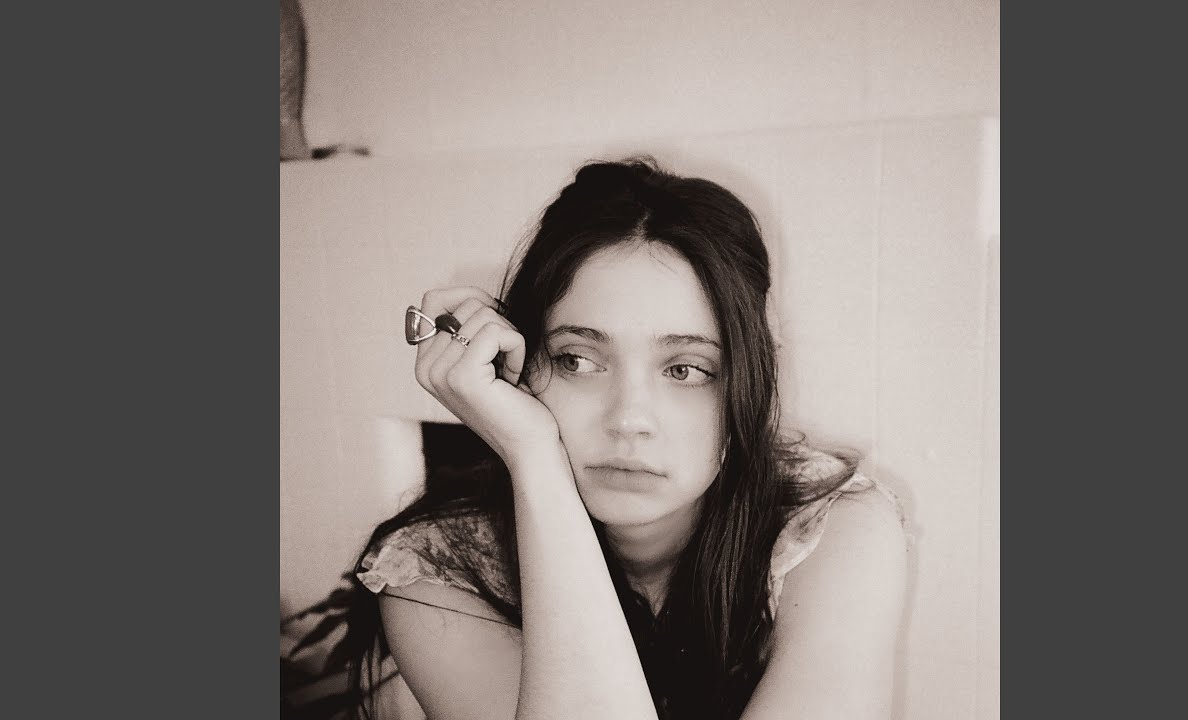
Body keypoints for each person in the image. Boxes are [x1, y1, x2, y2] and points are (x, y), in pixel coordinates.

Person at [345, 156, 908, 720]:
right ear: (520, 361)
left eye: (686, 369)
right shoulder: (438, 570)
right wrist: (534, 459)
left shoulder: (830, 530)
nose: (629, 419)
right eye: (576, 360)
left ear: (753, 381)